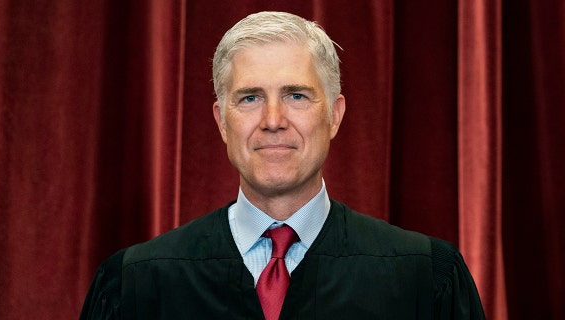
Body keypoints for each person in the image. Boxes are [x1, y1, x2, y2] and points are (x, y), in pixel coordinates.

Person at [80, 11, 485, 319]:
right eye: (250, 98)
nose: (273, 120)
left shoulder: (425, 279)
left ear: (335, 115)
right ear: (222, 121)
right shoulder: (136, 285)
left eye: (296, 96)